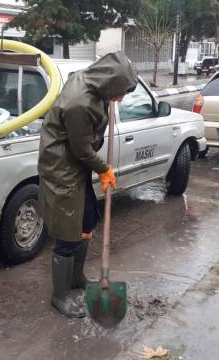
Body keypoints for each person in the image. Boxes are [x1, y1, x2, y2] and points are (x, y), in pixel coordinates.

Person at [38, 52, 137, 318]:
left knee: (86, 222)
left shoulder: (95, 85)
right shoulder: (79, 104)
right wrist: (104, 169)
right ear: (110, 84)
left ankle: (76, 277)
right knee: (67, 235)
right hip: (62, 169)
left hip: (76, 165)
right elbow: (81, 149)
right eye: (122, 92)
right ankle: (60, 296)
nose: (123, 98)